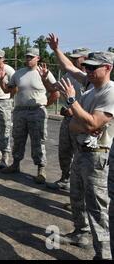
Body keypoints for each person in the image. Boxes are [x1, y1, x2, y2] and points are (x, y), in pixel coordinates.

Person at [48, 34, 113, 260]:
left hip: (97, 157)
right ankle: (80, 233)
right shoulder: (90, 86)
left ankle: (104, 254)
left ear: (108, 68)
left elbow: (92, 123)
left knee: (97, 208)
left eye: (94, 67)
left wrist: (72, 102)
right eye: (87, 67)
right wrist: (56, 49)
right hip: (82, 153)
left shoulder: (109, 91)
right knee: (76, 197)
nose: (88, 70)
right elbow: (77, 126)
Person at [0, 48, 60, 184]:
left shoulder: (44, 73)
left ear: (38, 58)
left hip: (37, 111)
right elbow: (8, 91)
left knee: (38, 140)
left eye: (31, 57)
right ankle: (15, 164)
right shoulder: (18, 74)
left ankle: (41, 169)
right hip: (20, 111)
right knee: (18, 139)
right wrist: (1, 80)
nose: (28, 59)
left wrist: (43, 106)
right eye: (27, 57)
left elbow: (55, 93)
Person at [47, 47, 91, 191]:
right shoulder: (69, 76)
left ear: (85, 59)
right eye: (72, 58)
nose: (73, 60)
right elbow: (53, 88)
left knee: (81, 157)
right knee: (64, 152)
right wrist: (44, 78)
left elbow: (91, 106)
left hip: (82, 123)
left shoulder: (90, 79)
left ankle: (79, 189)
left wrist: (72, 109)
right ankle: (65, 179)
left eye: (76, 58)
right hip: (68, 121)